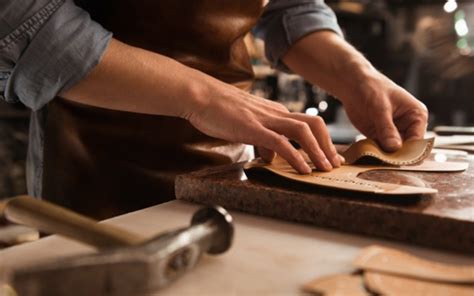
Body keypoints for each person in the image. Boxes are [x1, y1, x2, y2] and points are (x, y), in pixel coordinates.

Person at [0, 0, 428, 218]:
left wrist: (358, 77)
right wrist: (203, 97)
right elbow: (21, 17)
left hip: (233, 170)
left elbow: (287, 7)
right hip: (99, 173)